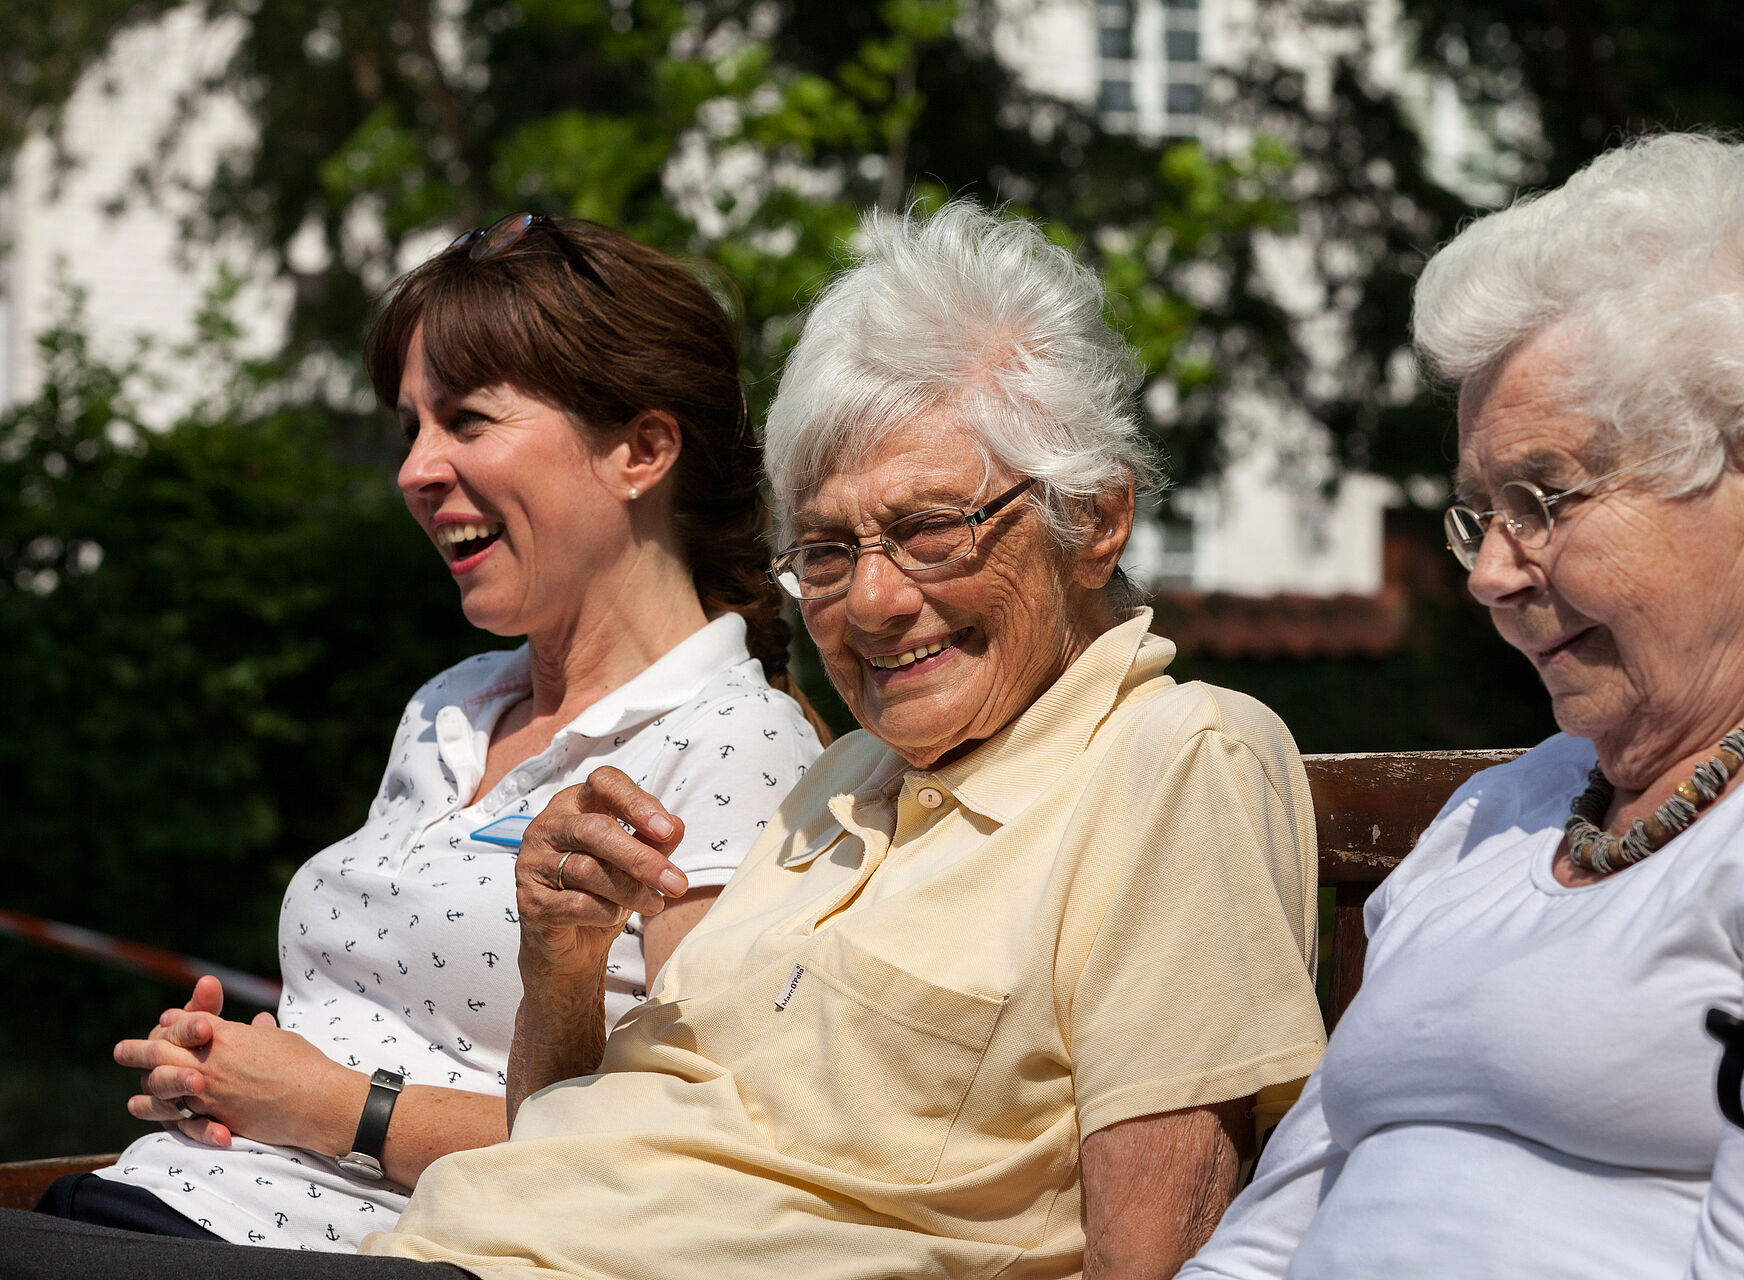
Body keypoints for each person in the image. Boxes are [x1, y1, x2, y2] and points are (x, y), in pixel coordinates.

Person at [0, 200, 1326, 1280]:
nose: (869, 600)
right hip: (427, 1242)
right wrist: (563, 956)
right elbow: (572, 1123)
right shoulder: (845, 786)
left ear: (1096, 519)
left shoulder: (1178, 758)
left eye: (932, 530)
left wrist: (349, 1111)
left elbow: (1159, 1247)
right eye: (827, 549)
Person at [1179, 133, 1744, 1280]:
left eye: (1543, 497)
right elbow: (1277, 1226)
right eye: (1480, 511)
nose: (1489, 573)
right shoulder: (1497, 813)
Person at [37, 214, 823, 1253]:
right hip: (152, 1207)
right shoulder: (448, 707)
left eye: (466, 419)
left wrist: (335, 1104)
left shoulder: (735, 740)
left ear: (641, 448)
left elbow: (696, 1150)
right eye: (411, 425)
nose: (415, 468)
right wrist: (221, 1066)